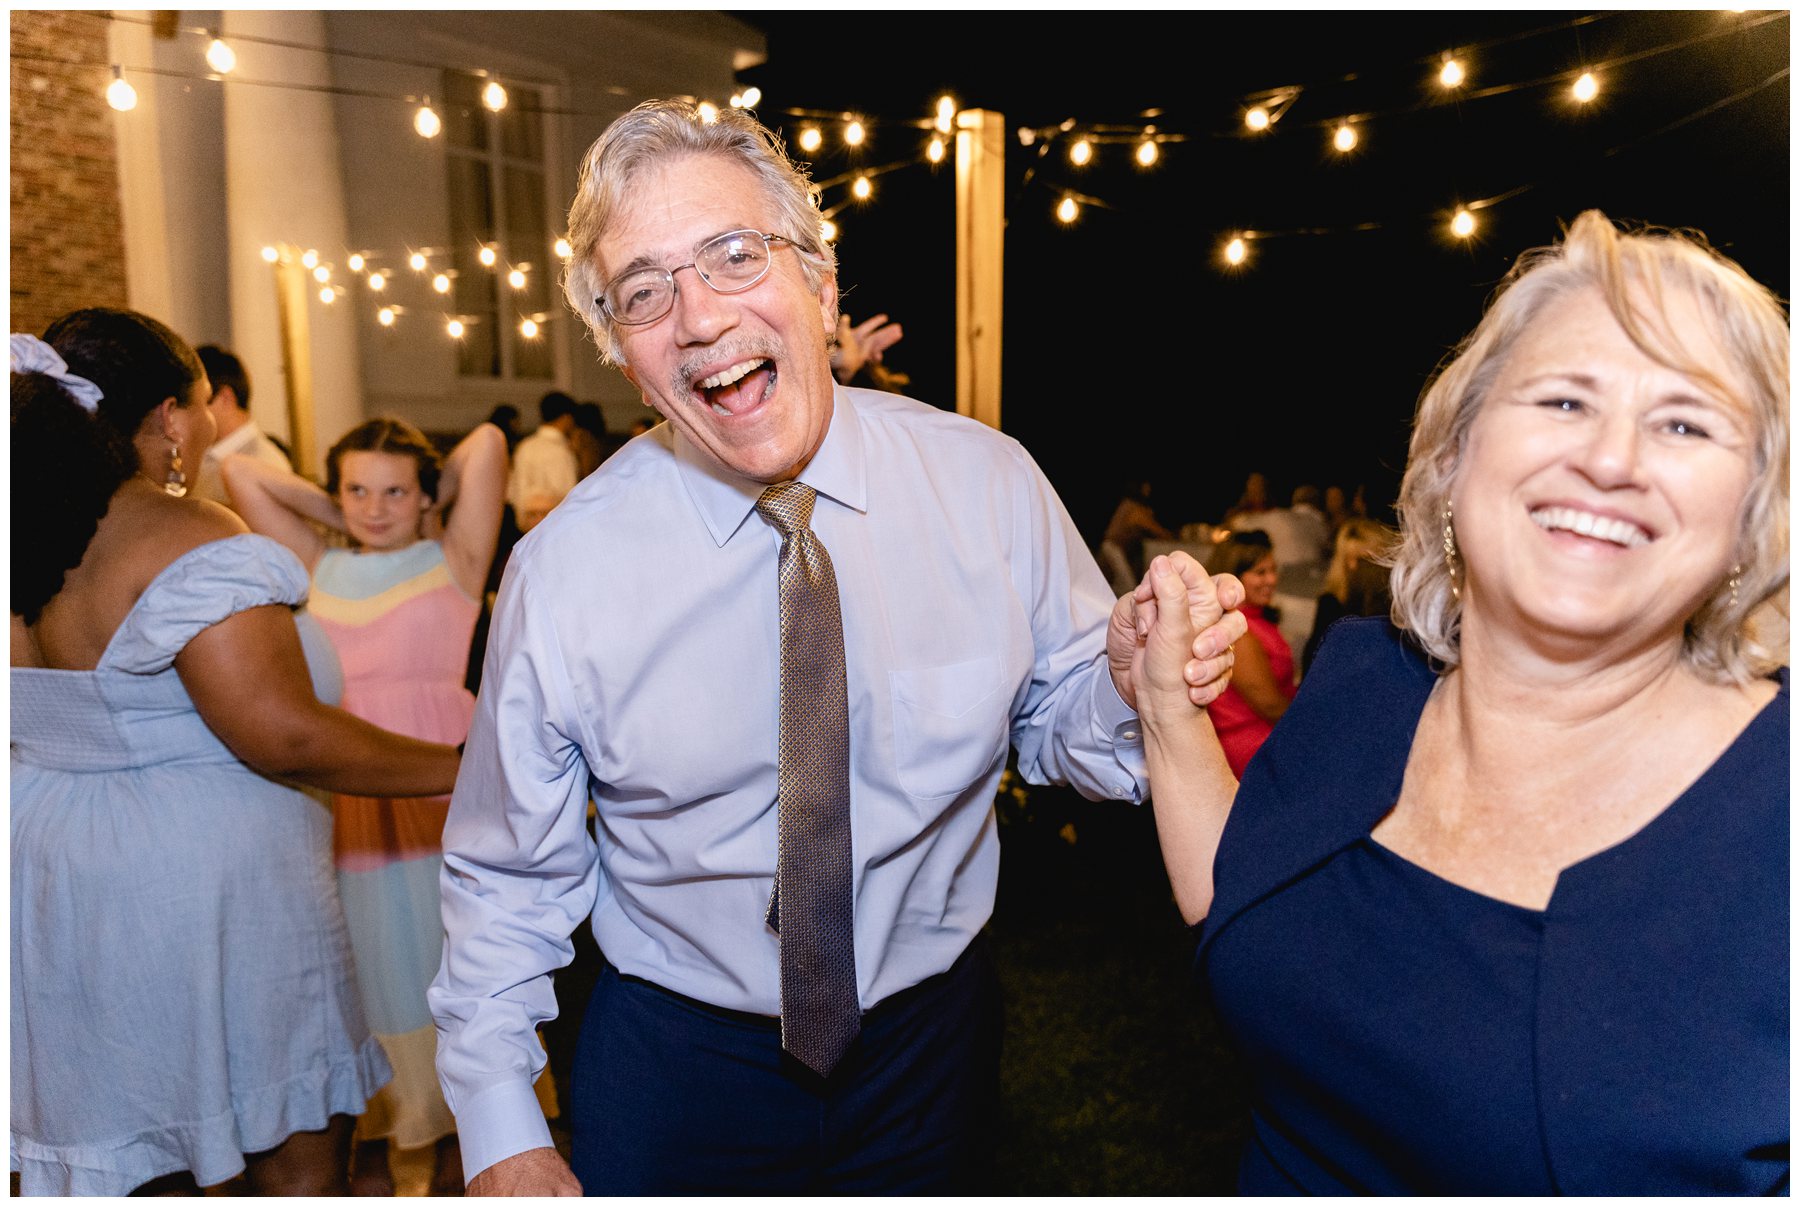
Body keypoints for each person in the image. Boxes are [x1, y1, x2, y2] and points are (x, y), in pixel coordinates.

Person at [427, 98, 1245, 1196]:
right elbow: (503, 874)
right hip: (676, 1061)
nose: (700, 317)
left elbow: (1057, 725)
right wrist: (500, 1127)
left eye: (731, 254)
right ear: (627, 355)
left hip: (931, 1048)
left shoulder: (988, 487)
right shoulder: (563, 573)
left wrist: (1126, 682)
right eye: (644, 292)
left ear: (818, 282)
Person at [1127, 211, 1788, 1194]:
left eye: (1685, 422)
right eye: (1564, 401)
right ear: (1452, 464)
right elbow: (1244, 893)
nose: (1612, 458)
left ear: (1748, 520)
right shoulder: (1363, 682)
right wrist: (1165, 709)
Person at [10, 310, 461, 1196]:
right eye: (205, 404)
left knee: (132, 1139)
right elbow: (277, 729)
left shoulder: (21, 533)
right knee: (285, 1148)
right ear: (172, 417)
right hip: (205, 885)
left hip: (55, 871)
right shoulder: (178, 532)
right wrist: (469, 764)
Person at [224, 414, 509, 1196]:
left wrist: (422, 504)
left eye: (394, 491)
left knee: (447, 966)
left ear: (426, 496)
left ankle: (468, 1162)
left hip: (436, 787)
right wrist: (338, 508)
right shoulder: (315, 563)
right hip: (346, 791)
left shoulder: (454, 555)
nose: (375, 506)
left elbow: (485, 442)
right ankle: (389, 1149)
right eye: (357, 489)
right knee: (365, 971)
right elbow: (243, 477)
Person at [1203, 530, 1295, 776]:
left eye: (1273, 570)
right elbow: (1269, 705)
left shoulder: (1256, 619)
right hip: (1254, 748)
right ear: (1233, 577)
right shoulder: (1236, 629)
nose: (1272, 580)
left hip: (1268, 735)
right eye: (1260, 572)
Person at [192, 343, 292, 507]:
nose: (190, 415)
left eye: (196, 404)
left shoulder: (266, 462)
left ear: (225, 398)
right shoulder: (201, 454)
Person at [1300, 516, 1394, 676]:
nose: (1353, 566)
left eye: (1363, 560)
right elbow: (1314, 663)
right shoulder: (1330, 604)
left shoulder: (1389, 608)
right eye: (1347, 560)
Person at [509, 390, 580, 531]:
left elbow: (514, 492)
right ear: (566, 418)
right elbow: (569, 496)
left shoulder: (525, 446)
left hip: (523, 530)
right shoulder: (561, 451)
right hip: (552, 528)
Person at [1102, 477, 1174, 580]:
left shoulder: (1128, 505)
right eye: (1146, 487)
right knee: (1126, 584)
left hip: (1112, 547)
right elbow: (1152, 527)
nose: (1148, 490)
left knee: (1118, 582)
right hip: (1113, 547)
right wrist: (1168, 536)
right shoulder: (1132, 508)